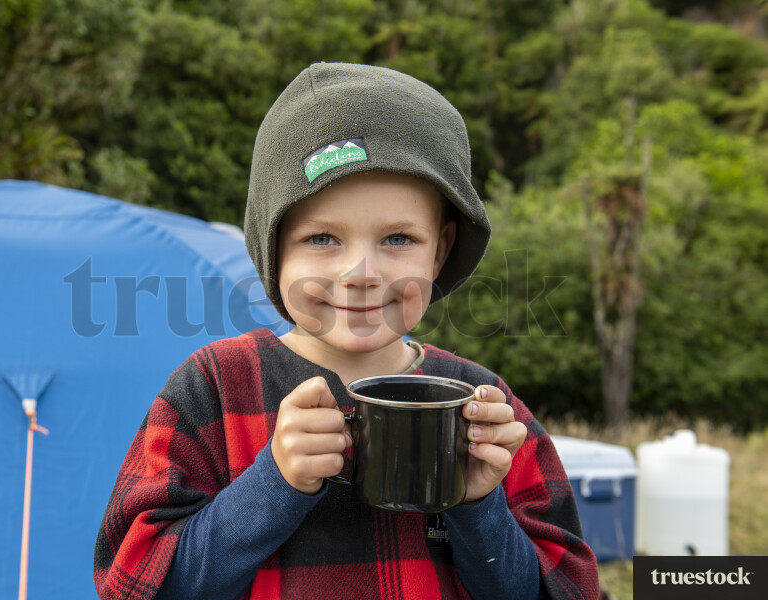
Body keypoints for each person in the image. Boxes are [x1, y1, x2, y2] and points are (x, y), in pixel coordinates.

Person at [93, 62, 599, 600]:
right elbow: (134, 585)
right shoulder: (214, 388)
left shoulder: (486, 411)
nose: (361, 274)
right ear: (274, 247)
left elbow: (567, 589)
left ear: (441, 249)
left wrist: (477, 505)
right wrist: (272, 487)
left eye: (399, 238)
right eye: (321, 239)